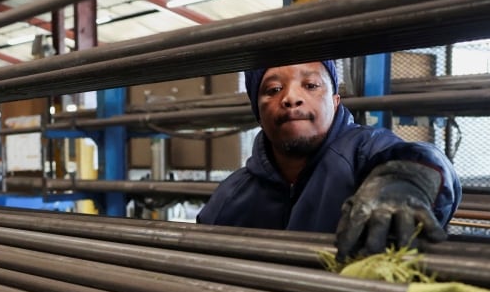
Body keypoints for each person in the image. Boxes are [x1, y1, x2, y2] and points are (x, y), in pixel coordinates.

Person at [197, 60, 460, 257]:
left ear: (335, 102)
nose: (291, 98)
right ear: (258, 112)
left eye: (311, 85)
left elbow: (422, 159)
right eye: (274, 89)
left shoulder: (365, 152)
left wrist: (404, 181)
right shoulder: (231, 196)